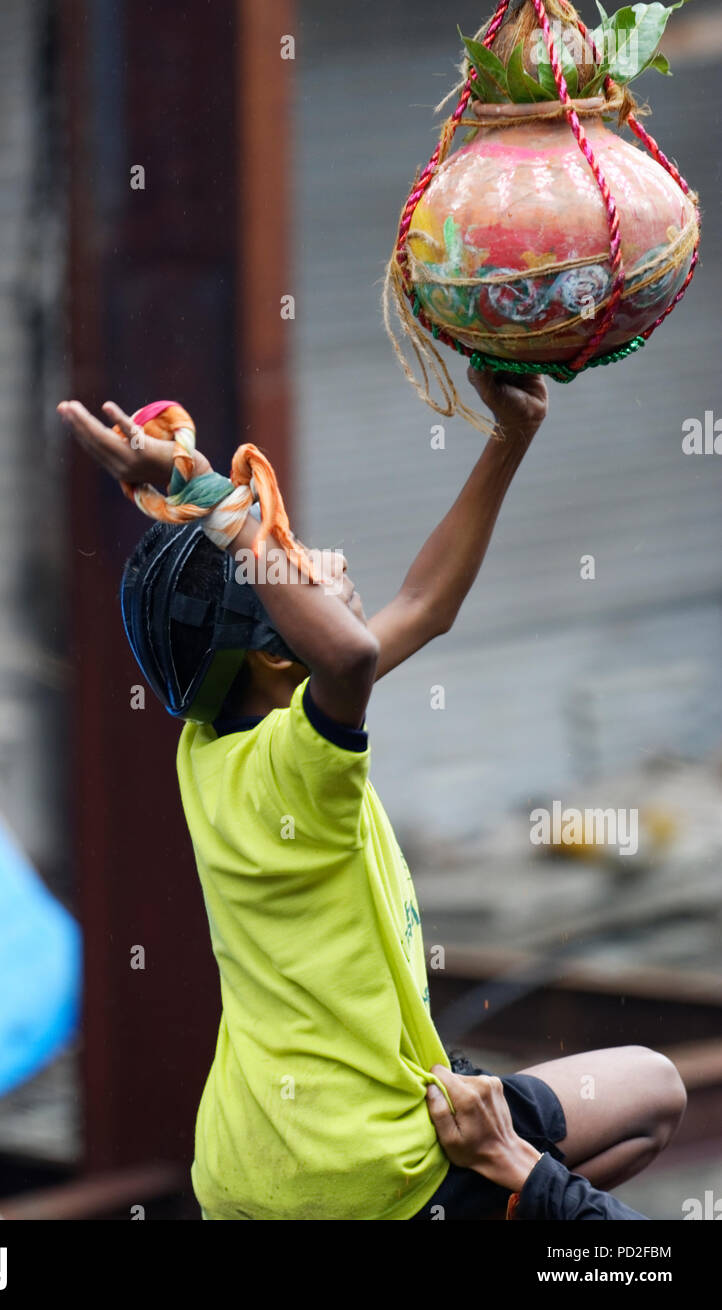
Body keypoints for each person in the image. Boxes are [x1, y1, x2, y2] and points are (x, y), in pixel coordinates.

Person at [58, 366, 686, 1220]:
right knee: (652, 1090)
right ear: (282, 654)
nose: (334, 562)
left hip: (245, 1167)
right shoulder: (306, 758)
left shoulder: (209, 743)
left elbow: (424, 604)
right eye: (306, 566)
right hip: (359, 1170)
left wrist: (511, 435)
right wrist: (211, 501)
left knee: (625, 1114)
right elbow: (351, 653)